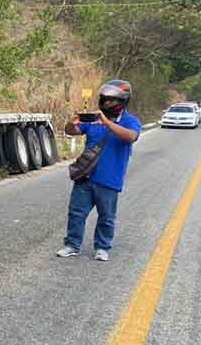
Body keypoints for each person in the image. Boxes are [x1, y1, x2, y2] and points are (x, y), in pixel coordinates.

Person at [57, 79, 141, 261]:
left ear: (122, 101)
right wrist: (71, 124)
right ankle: (72, 244)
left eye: (111, 100)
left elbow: (131, 136)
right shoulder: (94, 120)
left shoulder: (130, 121)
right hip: (85, 177)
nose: (107, 103)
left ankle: (102, 247)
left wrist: (108, 123)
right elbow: (72, 131)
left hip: (109, 180)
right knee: (76, 213)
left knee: (106, 217)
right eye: (105, 99)